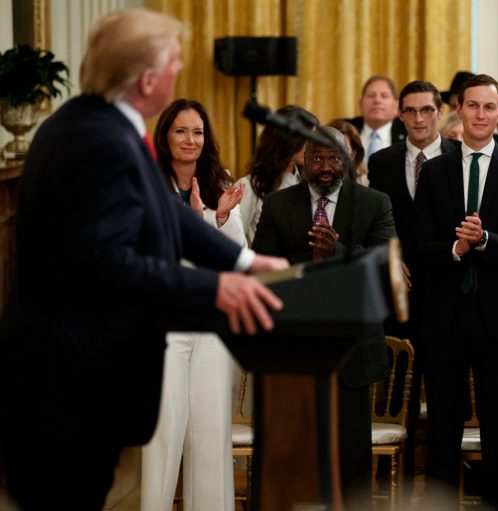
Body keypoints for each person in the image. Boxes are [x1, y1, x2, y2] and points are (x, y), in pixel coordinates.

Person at [0, 9, 288, 510]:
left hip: (71, 374)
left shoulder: (99, 124)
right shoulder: (100, 141)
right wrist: (217, 289)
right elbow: (108, 264)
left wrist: (241, 263)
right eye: (174, 61)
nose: (180, 70)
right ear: (147, 75)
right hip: (66, 383)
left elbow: (168, 217)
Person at [414, 74, 498, 509]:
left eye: (490, 107)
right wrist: (456, 247)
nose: (481, 114)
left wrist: (485, 241)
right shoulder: (434, 171)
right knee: (443, 432)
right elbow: (419, 245)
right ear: (459, 110)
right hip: (444, 317)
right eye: (473, 106)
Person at [252, 127, 395, 508]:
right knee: (295, 456)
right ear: (303, 161)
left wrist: (339, 249)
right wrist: (315, 259)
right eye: (317, 158)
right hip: (294, 351)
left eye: (335, 158)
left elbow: (383, 267)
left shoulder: (374, 203)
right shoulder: (279, 205)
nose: (326, 167)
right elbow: (262, 271)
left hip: (353, 351)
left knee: (351, 458)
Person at [141, 98, 245, 511]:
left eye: (198, 132)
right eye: (181, 131)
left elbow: (237, 254)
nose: (190, 139)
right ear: (165, 137)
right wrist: (199, 222)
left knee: (209, 428)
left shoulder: (222, 182)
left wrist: (217, 220)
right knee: (166, 429)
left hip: (210, 319)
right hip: (164, 321)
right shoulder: (146, 184)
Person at [368, 80, 459, 485]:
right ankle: (394, 486)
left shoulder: (460, 157)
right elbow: (376, 223)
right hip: (398, 296)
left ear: (439, 112)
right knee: (395, 398)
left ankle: (441, 488)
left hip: (446, 293)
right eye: (411, 111)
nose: (419, 118)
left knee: (444, 401)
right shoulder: (383, 162)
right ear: (400, 115)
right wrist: (393, 259)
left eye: (427, 110)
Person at [237, 105, 318, 246]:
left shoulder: (308, 183)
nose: (313, 146)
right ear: (289, 139)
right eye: (308, 139)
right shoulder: (250, 186)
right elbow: (235, 239)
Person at [347, 76, 407, 163]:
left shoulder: (408, 133)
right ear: (361, 104)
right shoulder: (344, 131)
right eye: (371, 95)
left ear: (396, 106)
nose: (377, 100)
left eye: (384, 96)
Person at [328, 118, 369, 185]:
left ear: (354, 154)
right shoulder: (311, 179)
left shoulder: (366, 182)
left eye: (343, 148)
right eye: (331, 147)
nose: (336, 154)